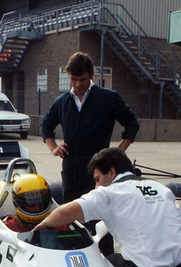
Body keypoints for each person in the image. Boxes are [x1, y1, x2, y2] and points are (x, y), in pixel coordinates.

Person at [33, 147, 181, 267]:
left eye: (97, 179)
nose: (97, 186)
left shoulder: (108, 193)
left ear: (111, 173)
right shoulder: (161, 188)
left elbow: (66, 211)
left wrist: (42, 226)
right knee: (167, 257)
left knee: (105, 261)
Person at [41, 52, 140, 202]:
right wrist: (53, 148)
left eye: (83, 79)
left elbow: (132, 123)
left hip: (98, 166)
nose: (78, 84)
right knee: (71, 211)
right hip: (71, 167)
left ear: (92, 75)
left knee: (97, 210)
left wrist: (118, 152)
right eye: (74, 79)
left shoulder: (108, 98)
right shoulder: (62, 102)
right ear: (68, 75)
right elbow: (46, 125)